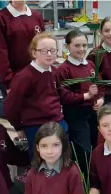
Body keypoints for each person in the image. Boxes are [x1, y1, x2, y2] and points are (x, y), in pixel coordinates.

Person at [4, 32, 68, 160]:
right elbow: (11, 106)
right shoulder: (24, 77)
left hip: (57, 121)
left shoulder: (55, 72)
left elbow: (62, 95)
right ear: (34, 53)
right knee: (40, 162)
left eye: (53, 50)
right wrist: (18, 127)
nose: (49, 54)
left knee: (63, 159)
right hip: (36, 125)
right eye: (44, 51)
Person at [56, 30, 100, 174]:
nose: (81, 49)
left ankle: (95, 181)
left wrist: (100, 99)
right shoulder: (64, 69)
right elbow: (64, 96)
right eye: (77, 46)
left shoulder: (91, 66)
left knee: (96, 147)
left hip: (93, 113)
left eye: (84, 45)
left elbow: (100, 87)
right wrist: (86, 96)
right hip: (76, 115)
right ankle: (84, 182)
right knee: (84, 151)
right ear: (68, 46)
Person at [23, 122, 84, 194]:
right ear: (37, 148)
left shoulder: (72, 172)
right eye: (44, 146)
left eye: (55, 145)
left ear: (63, 146)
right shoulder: (32, 174)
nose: (49, 151)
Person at [0, 0, 45, 98]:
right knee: (17, 111)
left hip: (36, 74)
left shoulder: (36, 16)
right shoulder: (1, 18)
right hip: (13, 77)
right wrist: (9, 82)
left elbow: (44, 45)